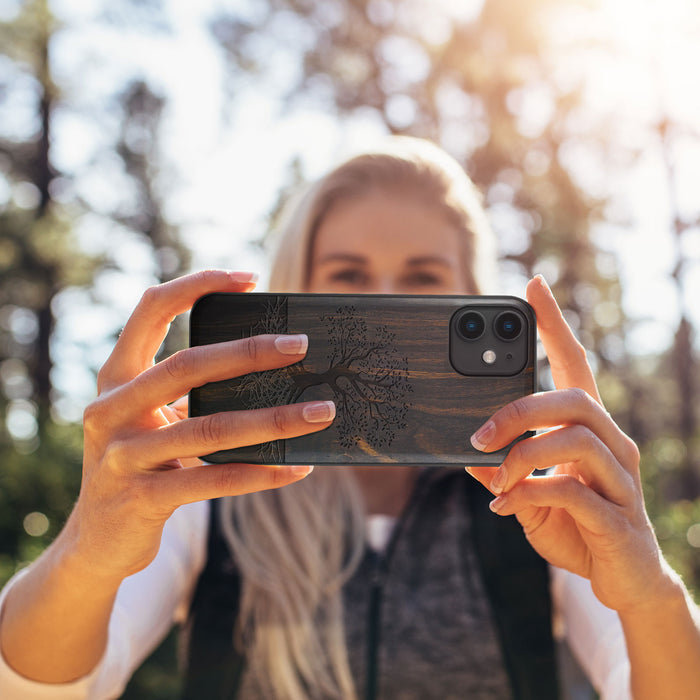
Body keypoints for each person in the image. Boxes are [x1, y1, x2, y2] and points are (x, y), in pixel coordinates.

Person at [0, 137, 699, 700]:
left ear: (468, 295)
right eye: (348, 276)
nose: (385, 307)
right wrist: (88, 551)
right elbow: (43, 689)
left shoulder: (538, 495)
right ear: (297, 291)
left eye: (423, 279)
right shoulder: (209, 489)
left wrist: (649, 594)